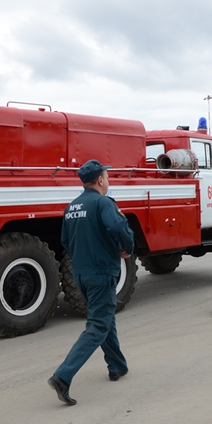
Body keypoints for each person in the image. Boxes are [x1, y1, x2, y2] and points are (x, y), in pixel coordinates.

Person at [48, 159, 135, 406]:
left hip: (81, 274)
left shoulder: (72, 207)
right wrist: (127, 248)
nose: (108, 180)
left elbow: (65, 240)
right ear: (100, 180)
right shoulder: (103, 203)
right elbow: (119, 226)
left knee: (104, 317)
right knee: (98, 324)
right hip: (101, 272)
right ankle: (63, 376)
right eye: (107, 176)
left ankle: (117, 365)